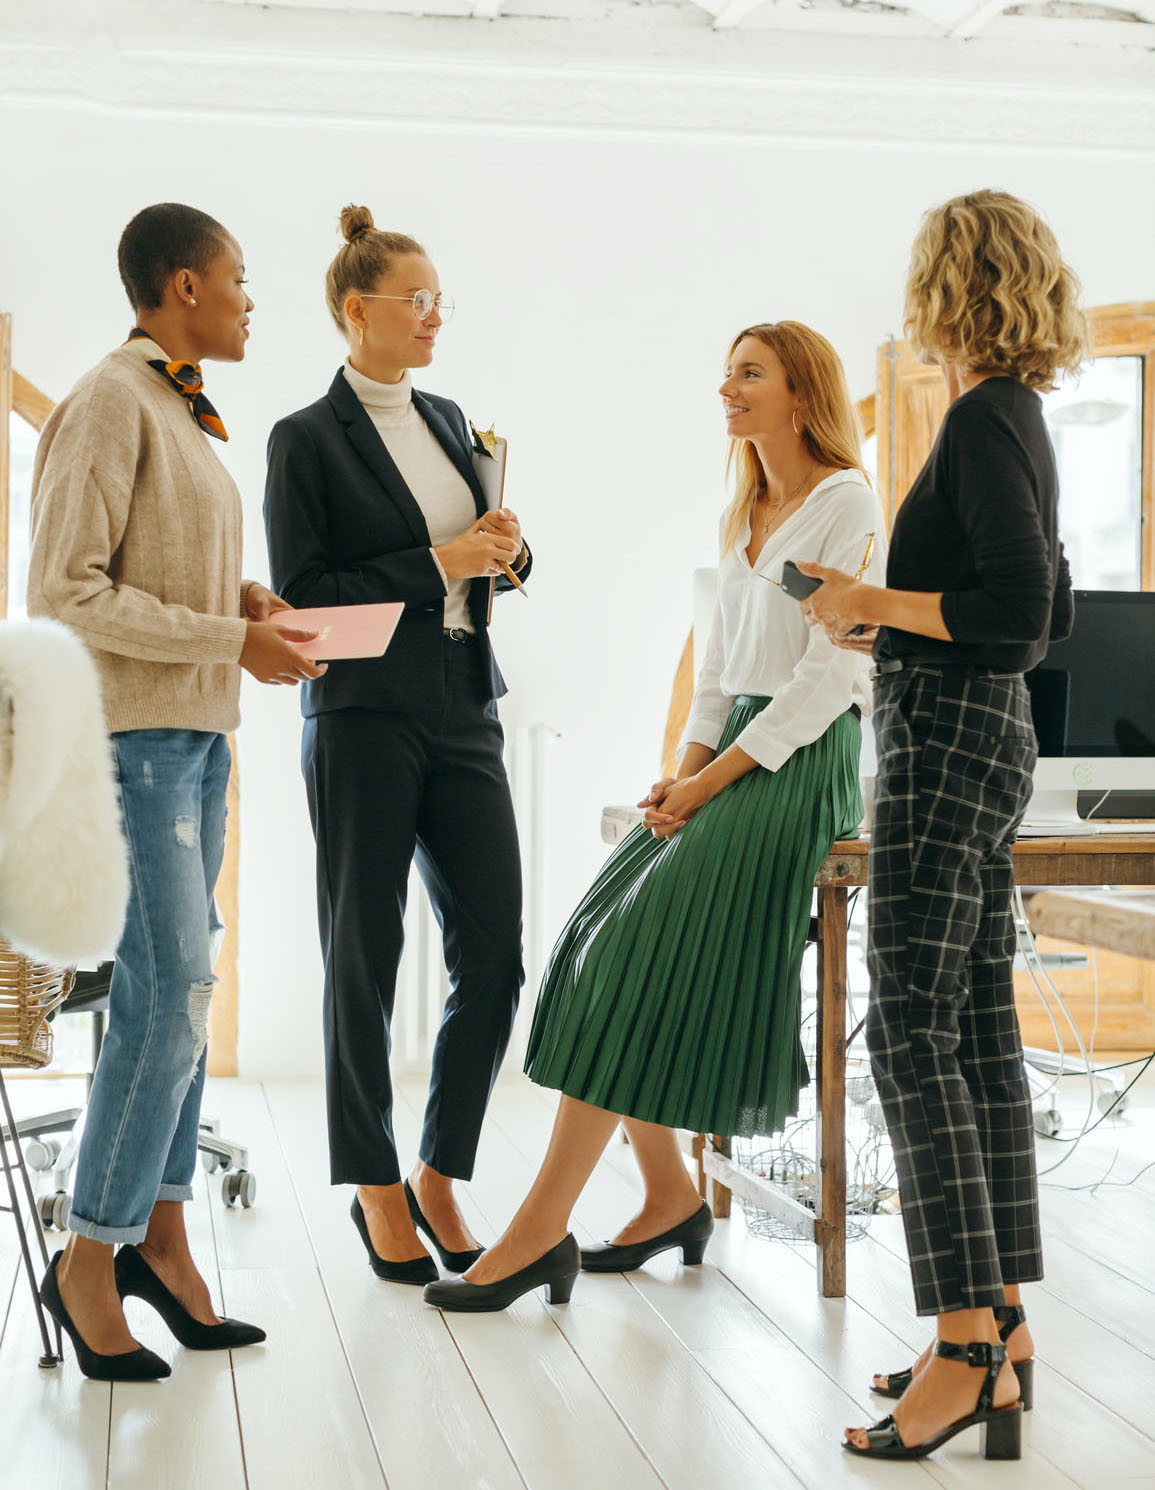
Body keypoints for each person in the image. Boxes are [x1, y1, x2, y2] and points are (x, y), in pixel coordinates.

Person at [423, 320, 886, 1313]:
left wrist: (709, 786)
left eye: (750, 374)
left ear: (802, 395)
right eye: (726, 373)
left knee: (631, 952)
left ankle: (538, 1230)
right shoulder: (743, 510)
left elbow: (828, 680)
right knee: (596, 940)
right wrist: (678, 775)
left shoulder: (846, 500)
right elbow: (716, 672)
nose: (727, 389)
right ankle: (672, 1195)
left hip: (799, 759)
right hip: (730, 754)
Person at [800, 189, 1082, 1463]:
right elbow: (1045, 610)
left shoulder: (979, 419)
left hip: (946, 740)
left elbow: (1017, 615)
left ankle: (965, 1345)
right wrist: (890, 618)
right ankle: (1000, 1325)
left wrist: (869, 599)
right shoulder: (1018, 416)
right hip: (983, 728)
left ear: (948, 284)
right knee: (969, 1029)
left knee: (912, 1029)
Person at [29, 202, 322, 1381]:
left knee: (187, 993)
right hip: (134, 740)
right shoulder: (111, 397)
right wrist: (228, 637)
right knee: (168, 994)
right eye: (240, 278)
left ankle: (161, 1235)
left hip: (195, 736)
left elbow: (151, 567)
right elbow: (64, 591)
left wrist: (240, 600)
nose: (252, 300)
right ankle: (88, 1254)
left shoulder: (179, 411)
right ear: (185, 285)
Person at [264, 206, 530, 1284]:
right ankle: (375, 1186)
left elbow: (477, 554)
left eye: (438, 300)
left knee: (497, 955)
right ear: (354, 309)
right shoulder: (304, 438)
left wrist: (505, 550)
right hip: (363, 713)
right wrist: (439, 561)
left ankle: (438, 1172)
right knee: (363, 953)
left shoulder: (449, 416)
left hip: (465, 702)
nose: (433, 317)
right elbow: (305, 593)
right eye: (414, 300)